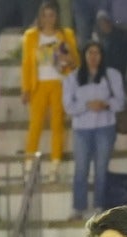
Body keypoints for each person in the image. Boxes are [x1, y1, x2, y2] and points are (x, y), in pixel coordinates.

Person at [64, 41, 123, 222]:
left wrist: (105, 104)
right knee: (81, 169)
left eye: (97, 53)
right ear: (84, 55)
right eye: (90, 53)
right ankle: (78, 208)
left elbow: (120, 102)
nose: (93, 57)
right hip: (82, 129)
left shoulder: (112, 75)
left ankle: (100, 207)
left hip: (105, 127)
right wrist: (87, 105)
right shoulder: (72, 77)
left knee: (101, 169)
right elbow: (68, 106)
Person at [20, 1, 76, 179]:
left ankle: (55, 165)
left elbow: (76, 63)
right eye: (45, 15)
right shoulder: (31, 36)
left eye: (51, 15)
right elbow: (27, 64)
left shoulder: (66, 35)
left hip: (59, 83)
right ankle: (29, 165)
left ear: (57, 17)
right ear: (40, 16)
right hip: (39, 85)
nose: (48, 19)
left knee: (57, 124)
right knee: (35, 124)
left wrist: (68, 59)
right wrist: (26, 88)